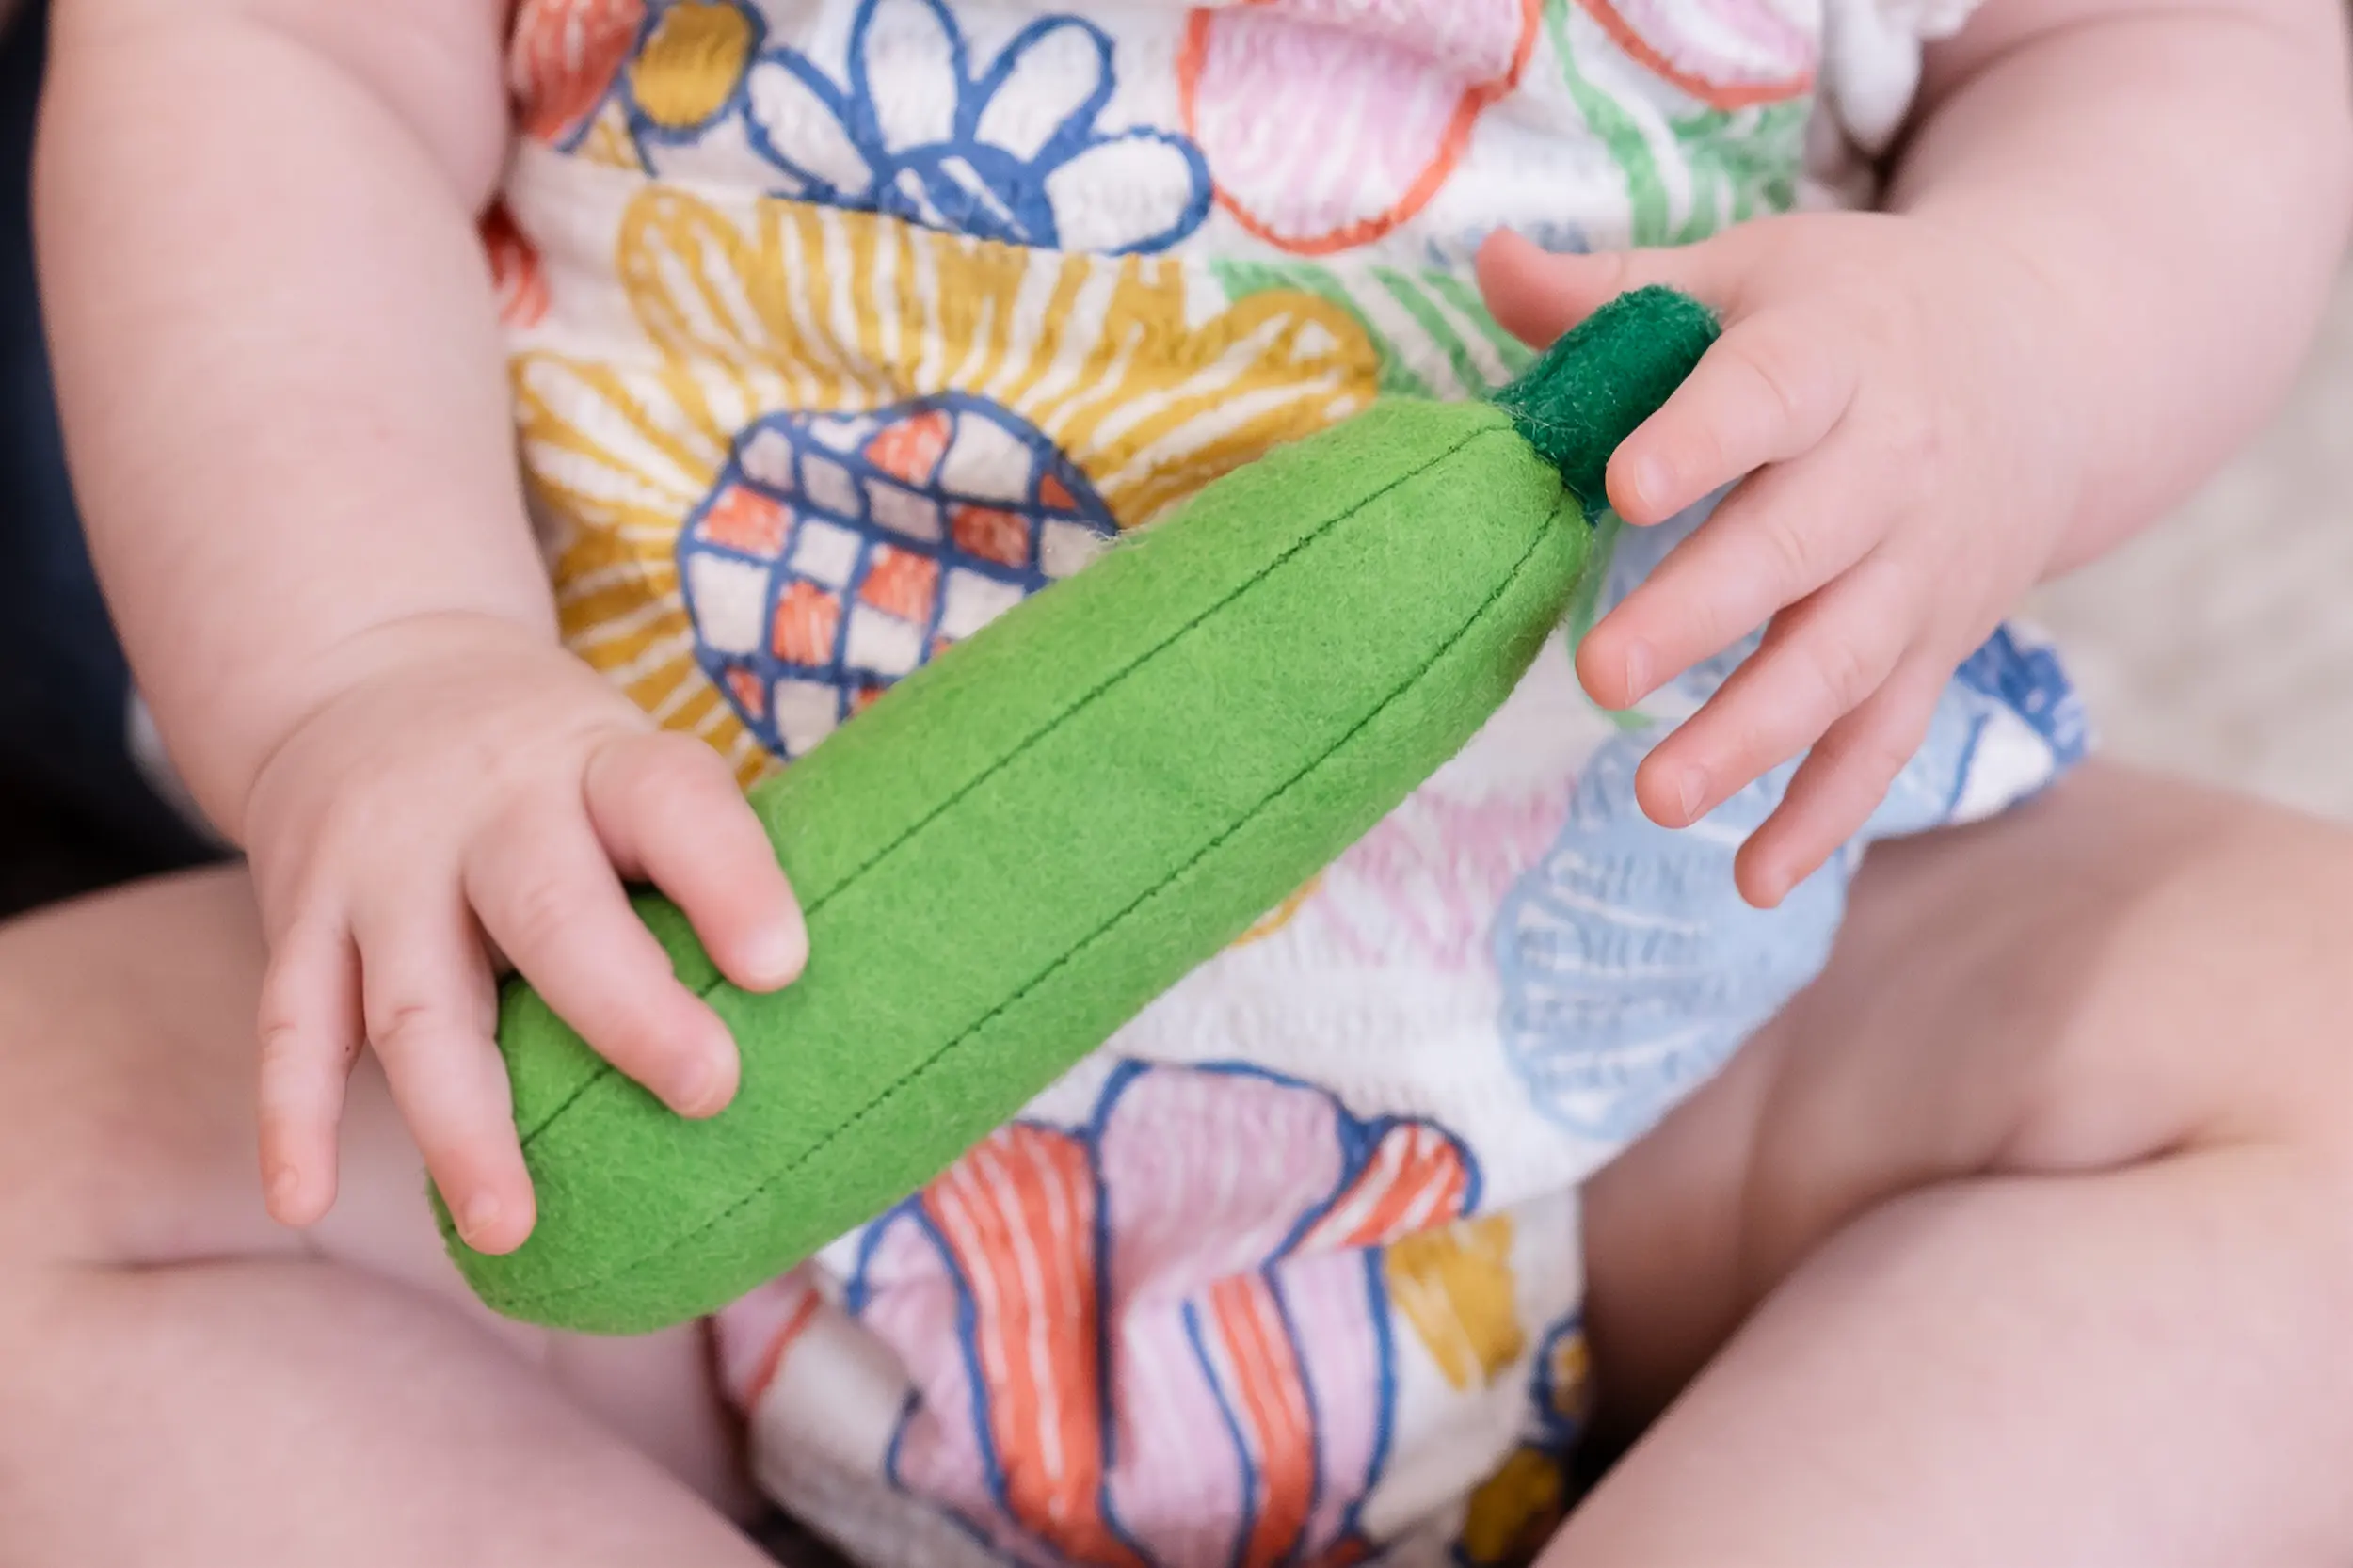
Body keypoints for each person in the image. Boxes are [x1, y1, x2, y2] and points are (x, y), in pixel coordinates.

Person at [4, 0, 2350, 1562]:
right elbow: (261, 58)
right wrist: (375, 666)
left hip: (1657, 1012)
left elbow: (2167, 62)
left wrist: (2016, 322)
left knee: (2302, 1068)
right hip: (650, 996)